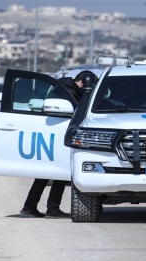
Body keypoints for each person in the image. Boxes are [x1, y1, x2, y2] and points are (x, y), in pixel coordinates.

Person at [20, 70, 95, 219]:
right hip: (59, 136)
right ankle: (51, 209)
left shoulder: (64, 88)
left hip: (53, 135)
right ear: (82, 83)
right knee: (60, 173)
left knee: (44, 175)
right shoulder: (70, 93)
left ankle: (30, 207)